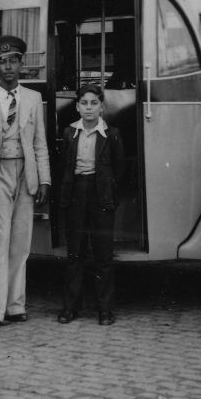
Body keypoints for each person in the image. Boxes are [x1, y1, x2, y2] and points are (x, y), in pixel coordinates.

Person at [0, 35, 51, 329]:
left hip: (25, 173)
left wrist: (44, 179)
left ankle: (16, 305)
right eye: (2, 62)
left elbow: (40, 142)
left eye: (13, 61)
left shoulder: (32, 98)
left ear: (21, 64)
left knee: (20, 243)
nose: (8, 67)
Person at [57, 85, 126, 326]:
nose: (88, 108)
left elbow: (119, 169)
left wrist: (108, 194)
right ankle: (70, 307)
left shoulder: (112, 134)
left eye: (93, 103)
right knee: (75, 253)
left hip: (101, 196)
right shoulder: (69, 133)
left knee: (102, 255)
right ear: (77, 107)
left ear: (101, 107)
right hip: (76, 193)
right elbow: (63, 168)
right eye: (84, 103)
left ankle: (104, 309)